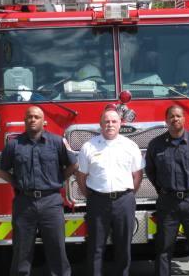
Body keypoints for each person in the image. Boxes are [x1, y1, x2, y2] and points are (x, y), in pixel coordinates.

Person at [0, 106, 78, 276]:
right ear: (25, 120)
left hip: (51, 203)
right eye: (29, 117)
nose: (32, 120)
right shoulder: (13, 145)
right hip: (24, 204)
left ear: (43, 121)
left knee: (57, 251)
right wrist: (17, 184)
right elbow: (1, 170)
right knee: (21, 252)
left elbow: (74, 164)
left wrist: (57, 180)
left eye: (36, 117)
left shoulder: (57, 142)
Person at [145, 105, 189, 276]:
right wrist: (164, 190)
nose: (174, 119)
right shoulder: (156, 145)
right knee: (163, 249)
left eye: (178, 116)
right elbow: (151, 172)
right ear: (166, 120)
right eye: (171, 116)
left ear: (184, 119)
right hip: (167, 203)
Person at [76, 108, 144, 276]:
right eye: (106, 121)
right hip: (98, 201)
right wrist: (91, 196)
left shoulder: (130, 146)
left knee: (123, 247)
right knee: (95, 247)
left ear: (120, 124)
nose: (110, 124)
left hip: (124, 201)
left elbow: (138, 175)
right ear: (100, 124)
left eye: (114, 121)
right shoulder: (89, 147)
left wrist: (128, 195)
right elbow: (81, 176)